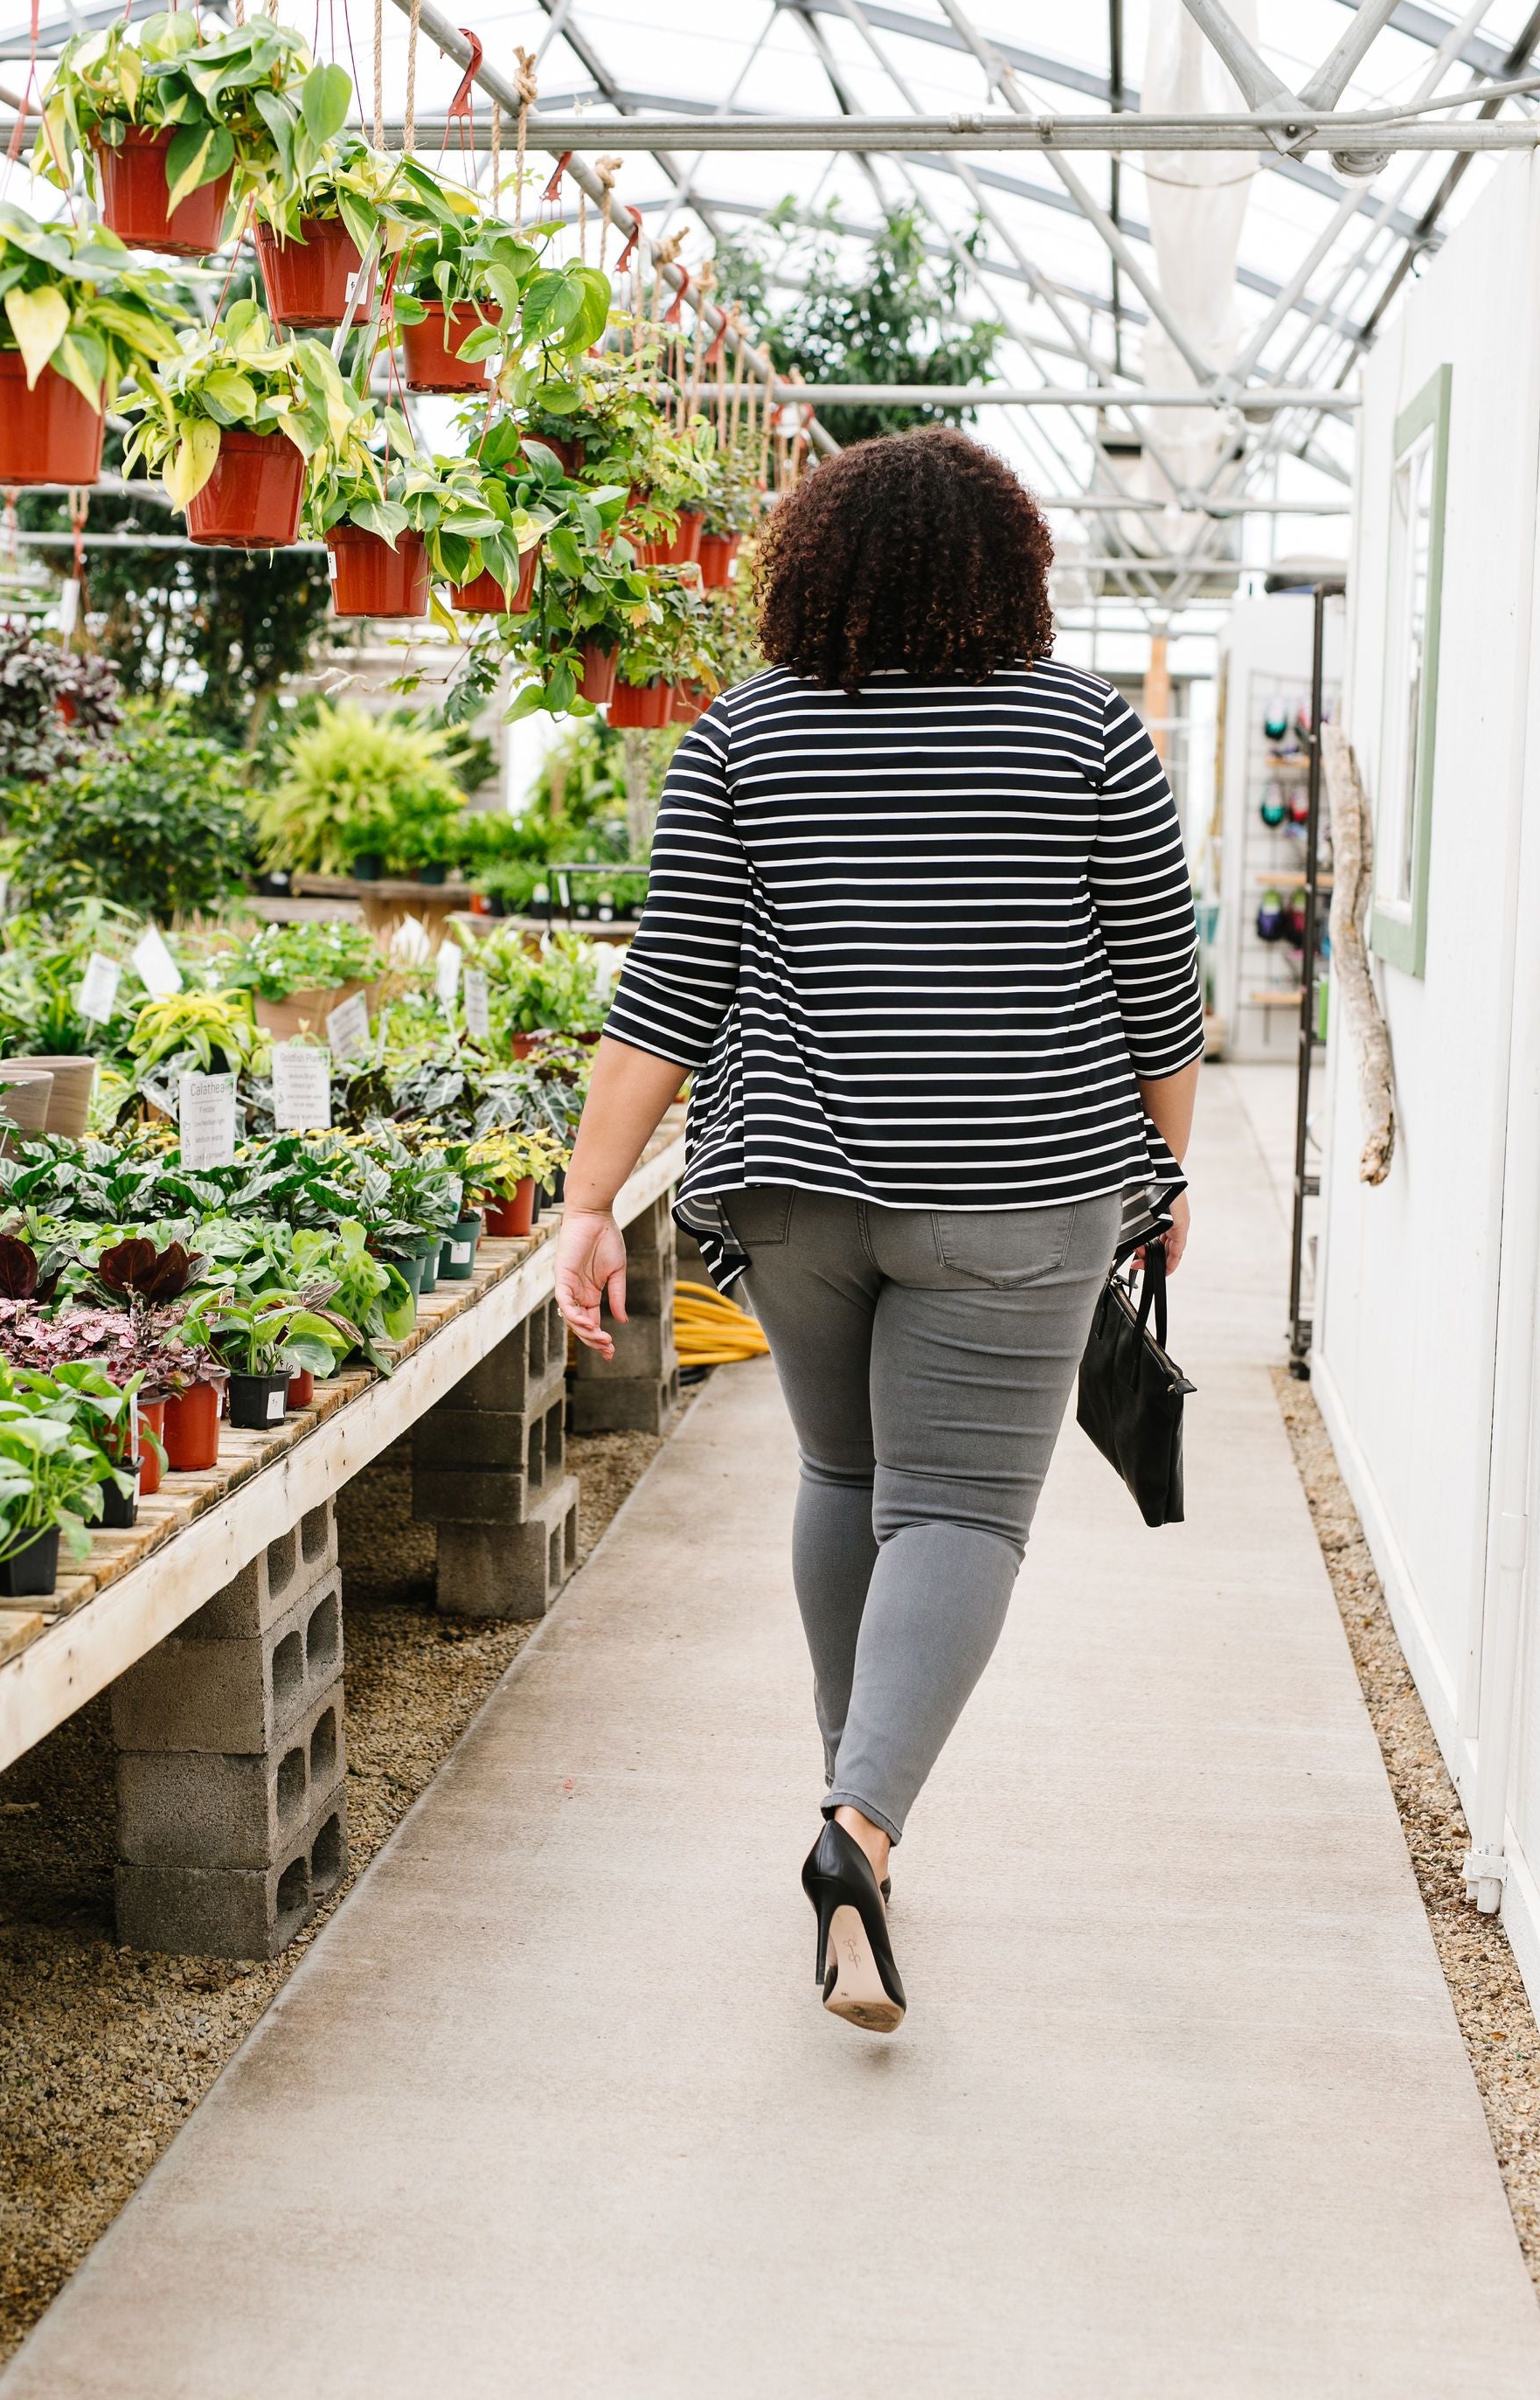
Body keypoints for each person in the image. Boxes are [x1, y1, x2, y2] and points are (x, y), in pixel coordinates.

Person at [555, 427, 1203, 2036]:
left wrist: (586, 1204)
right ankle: (860, 1830)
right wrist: (1165, 1181)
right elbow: (1161, 994)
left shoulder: (744, 735)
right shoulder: (1089, 735)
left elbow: (665, 998)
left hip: (798, 1188)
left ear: (817, 567)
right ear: (1012, 570)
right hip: (1019, 1182)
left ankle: (857, 1810)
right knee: (960, 1510)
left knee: (846, 1479)